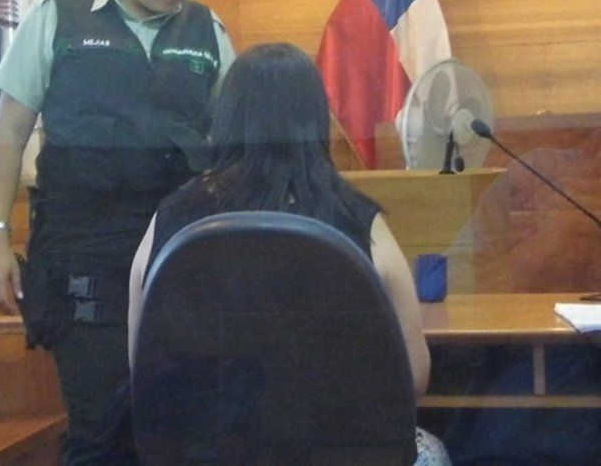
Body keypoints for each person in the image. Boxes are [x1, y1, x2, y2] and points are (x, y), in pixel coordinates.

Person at [128, 43, 450, 465]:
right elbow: (413, 380)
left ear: (225, 117)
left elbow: (141, 365)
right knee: (431, 451)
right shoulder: (359, 221)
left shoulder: (170, 220)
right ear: (316, 121)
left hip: (204, 456)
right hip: (338, 455)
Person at [0, 0, 234, 463]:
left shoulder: (207, 30)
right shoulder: (55, 14)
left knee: (180, 431)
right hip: (83, 260)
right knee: (100, 430)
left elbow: (233, 142)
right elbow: (8, 134)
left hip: (177, 259)